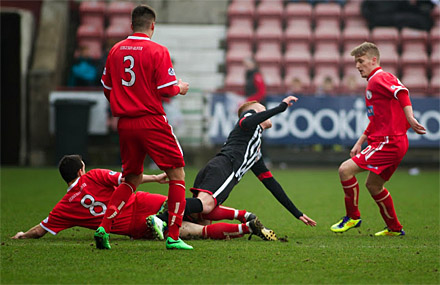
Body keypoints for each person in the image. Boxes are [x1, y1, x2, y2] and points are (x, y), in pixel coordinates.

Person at [11, 155, 275, 242]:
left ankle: (243, 227)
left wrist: (23, 235)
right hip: (145, 202)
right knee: (190, 209)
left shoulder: (63, 208)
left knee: (197, 230)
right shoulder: (93, 175)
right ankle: (243, 216)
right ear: (81, 170)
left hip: (134, 227)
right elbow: (128, 180)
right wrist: (157, 178)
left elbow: (41, 229)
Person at [100, 4, 191, 250]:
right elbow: (165, 88)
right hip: (151, 120)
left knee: (131, 178)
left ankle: (103, 228)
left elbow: (107, 88)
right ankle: (173, 236)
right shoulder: (158, 50)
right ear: (153, 25)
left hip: (125, 123)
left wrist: (125, 103)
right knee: (177, 175)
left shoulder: (116, 50)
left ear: (131, 25)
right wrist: (179, 88)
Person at [159, 96, 317, 229]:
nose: (265, 113)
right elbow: (247, 121)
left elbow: (272, 185)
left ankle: (162, 221)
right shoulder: (248, 123)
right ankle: (162, 217)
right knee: (205, 205)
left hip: (217, 166)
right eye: (261, 110)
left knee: (202, 217)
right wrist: (281, 107)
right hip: (226, 167)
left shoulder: (254, 150)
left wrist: (297, 213)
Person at [330, 42, 426, 236]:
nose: (357, 66)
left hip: (389, 142)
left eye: (361, 61)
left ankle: (353, 216)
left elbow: (402, 92)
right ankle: (394, 228)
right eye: (356, 62)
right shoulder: (373, 83)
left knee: (345, 170)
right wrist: (360, 142)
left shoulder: (379, 77)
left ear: (374, 60)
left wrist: (410, 117)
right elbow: (376, 119)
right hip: (395, 142)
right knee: (373, 185)